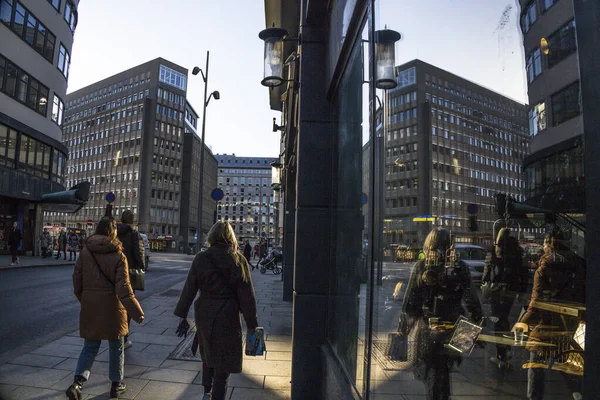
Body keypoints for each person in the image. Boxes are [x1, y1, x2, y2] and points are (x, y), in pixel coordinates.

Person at [174, 221, 259, 400]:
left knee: (208, 351)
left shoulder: (201, 258)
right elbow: (247, 297)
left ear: (211, 236)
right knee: (224, 359)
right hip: (228, 313)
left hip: (205, 311)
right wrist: (252, 325)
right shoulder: (238, 260)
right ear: (230, 237)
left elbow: (189, 289)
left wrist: (182, 315)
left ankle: (207, 391)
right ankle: (217, 395)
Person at [65, 217, 144, 400]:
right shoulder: (118, 255)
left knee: (90, 346)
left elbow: (77, 281)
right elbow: (124, 289)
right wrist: (137, 313)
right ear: (113, 232)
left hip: (91, 305)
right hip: (113, 307)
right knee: (116, 346)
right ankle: (116, 385)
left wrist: (85, 299)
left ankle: (77, 383)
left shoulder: (85, 252)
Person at [401, 227, 482, 400]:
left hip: (429, 328)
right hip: (456, 327)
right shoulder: (460, 267)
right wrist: (477, 324)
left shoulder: (421, 266)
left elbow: (409, 303)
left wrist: (404, 328)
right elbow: (472, 300)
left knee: (433, 372)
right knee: (444, 370)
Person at [519, 228, 585, 400]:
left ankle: (534, 397)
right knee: (565, 361)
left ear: (548, 244)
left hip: (545, 326)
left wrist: (522, 324)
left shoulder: (545, 267)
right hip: (567, 325)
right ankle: (578, 393)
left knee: (535, 365)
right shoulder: (578, 265)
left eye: (544, 242)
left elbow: (537, 303)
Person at [482, 227, 526, 368]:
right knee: (505, 318)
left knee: (497, 321)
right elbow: (523, 273)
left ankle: (501, 354)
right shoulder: (517, 251)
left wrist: (485, 283)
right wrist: (521, 291)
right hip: (511, 290)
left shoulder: (494, 250)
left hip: (496, 290)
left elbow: (487, 272)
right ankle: (506, 350)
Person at [116, 210, 146, 350]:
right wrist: (141, 265)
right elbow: (137, 252)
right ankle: (124, 337)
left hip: (114, 271)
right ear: (131, 220)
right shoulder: (133, 233)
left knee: (116, 302)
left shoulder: (114, 231)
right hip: (128, 273)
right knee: (128, 302)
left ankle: (114, 332)